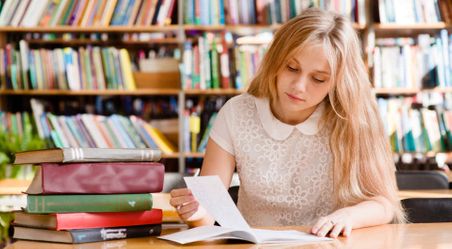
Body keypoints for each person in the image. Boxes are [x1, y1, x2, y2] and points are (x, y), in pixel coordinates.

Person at [170, 8, 406, 238]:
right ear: (275, 60)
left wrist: (348, 216)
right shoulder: (237, 113)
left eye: (318, 79)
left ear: (338, 83)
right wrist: (196, 212)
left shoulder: (355, 119)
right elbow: (208, 215)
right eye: (292, 68)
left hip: (326, 245)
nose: (299, 86)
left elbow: (384, 204)